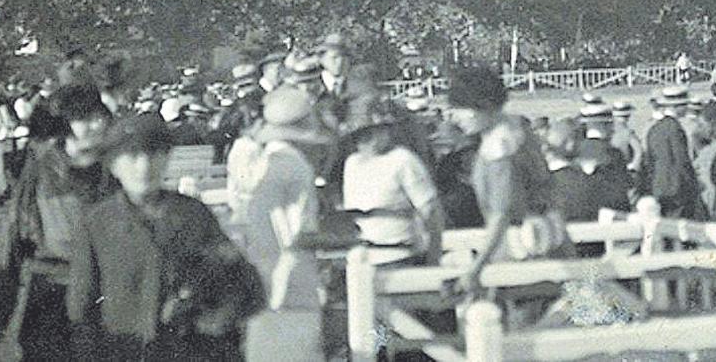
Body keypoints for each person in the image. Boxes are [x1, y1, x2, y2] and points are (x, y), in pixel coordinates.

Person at [68, 113, 263, 359]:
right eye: (132, 156)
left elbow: (243, 282)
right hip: (124, 352)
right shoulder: (97, 223)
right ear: (114, 166)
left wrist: (218, 318)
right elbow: (81, 309)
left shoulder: (193, 215)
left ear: (167, 158)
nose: (144, 167)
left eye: (154, 154)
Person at [0, 84, 118, 361]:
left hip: (107, 294)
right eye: (85, 118)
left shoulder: (118, 169)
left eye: (99, 115)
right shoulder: (42, 170)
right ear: (64, 126)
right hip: (53, 291)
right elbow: (15, 234)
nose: (97, 123)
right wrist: (2, 301)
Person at [448, 67, 571, 316]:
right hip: (550, 239)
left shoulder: (499, 149)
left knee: (524, 336)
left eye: (460, 109)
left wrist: (476, 268)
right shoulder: (520, 131)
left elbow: (501, 215)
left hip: (522, 251)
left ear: (481, 105)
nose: (454, 117)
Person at [227, 85, 330, 360]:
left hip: (263, 276)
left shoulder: (264, 161)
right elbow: (301, 232)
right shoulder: (294, 166)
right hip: (292, 279)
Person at [342, 98, 444, 267]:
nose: (367, 141)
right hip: (363, 260)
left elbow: (432, 211)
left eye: (374, 132)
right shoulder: (351, 163)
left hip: (401, 256)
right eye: (360, 136)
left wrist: (433, 258)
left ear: (387, 131)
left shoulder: (403, 160)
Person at [641, 87, 704, 218]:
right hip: (677, 190)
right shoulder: (676, 129)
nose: (687, 108)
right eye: (684, 105)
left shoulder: (654, 128)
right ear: (677, 107)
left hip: (658, 186)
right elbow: (682, 161)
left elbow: (650, 160)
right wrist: (694, 185)